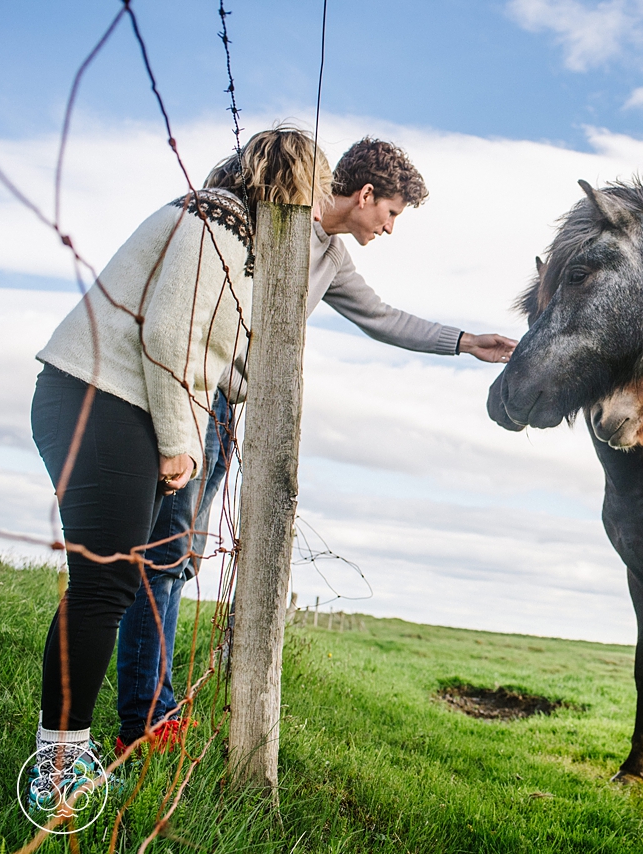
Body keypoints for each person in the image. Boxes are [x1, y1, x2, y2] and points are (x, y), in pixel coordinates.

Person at [113, 136, 517, 756]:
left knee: (183, 556)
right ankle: (146, 720)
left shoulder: (330, 254)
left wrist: (465, 342)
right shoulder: (278, 218)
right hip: (194, 390)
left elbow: (383, 317)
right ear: (365, 195)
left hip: (224, 409)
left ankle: (154, 711)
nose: (389, 228)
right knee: (165, 555)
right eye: (391, 214)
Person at [27, 128, 327, 804]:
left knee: (107, 583)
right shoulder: (214, 221)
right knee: (105, 585)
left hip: (109, 401)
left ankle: (61, 749)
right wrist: (178, 439)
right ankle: (56, 770)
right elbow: (172, 333)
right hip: (101, 400)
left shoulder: (232, 235)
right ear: (292, 182)